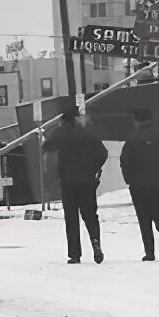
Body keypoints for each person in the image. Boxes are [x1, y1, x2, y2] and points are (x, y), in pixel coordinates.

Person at [43, 107, 108, 264]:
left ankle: (74, 254)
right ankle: (95, 242)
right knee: (90, 215)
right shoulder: (88, 132)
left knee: (71, 218)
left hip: (68, 181)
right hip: (87, 180)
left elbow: (46, 145)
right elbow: (103, 153)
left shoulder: (63, 133)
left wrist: (58, 129)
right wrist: (94, 168)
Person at [120, 108, 159, 261]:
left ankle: (149, 252)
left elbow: (125, 160)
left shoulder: (133, 137)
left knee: (144, 217)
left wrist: (129, 179)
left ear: (137, 120)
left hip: (139, 183)